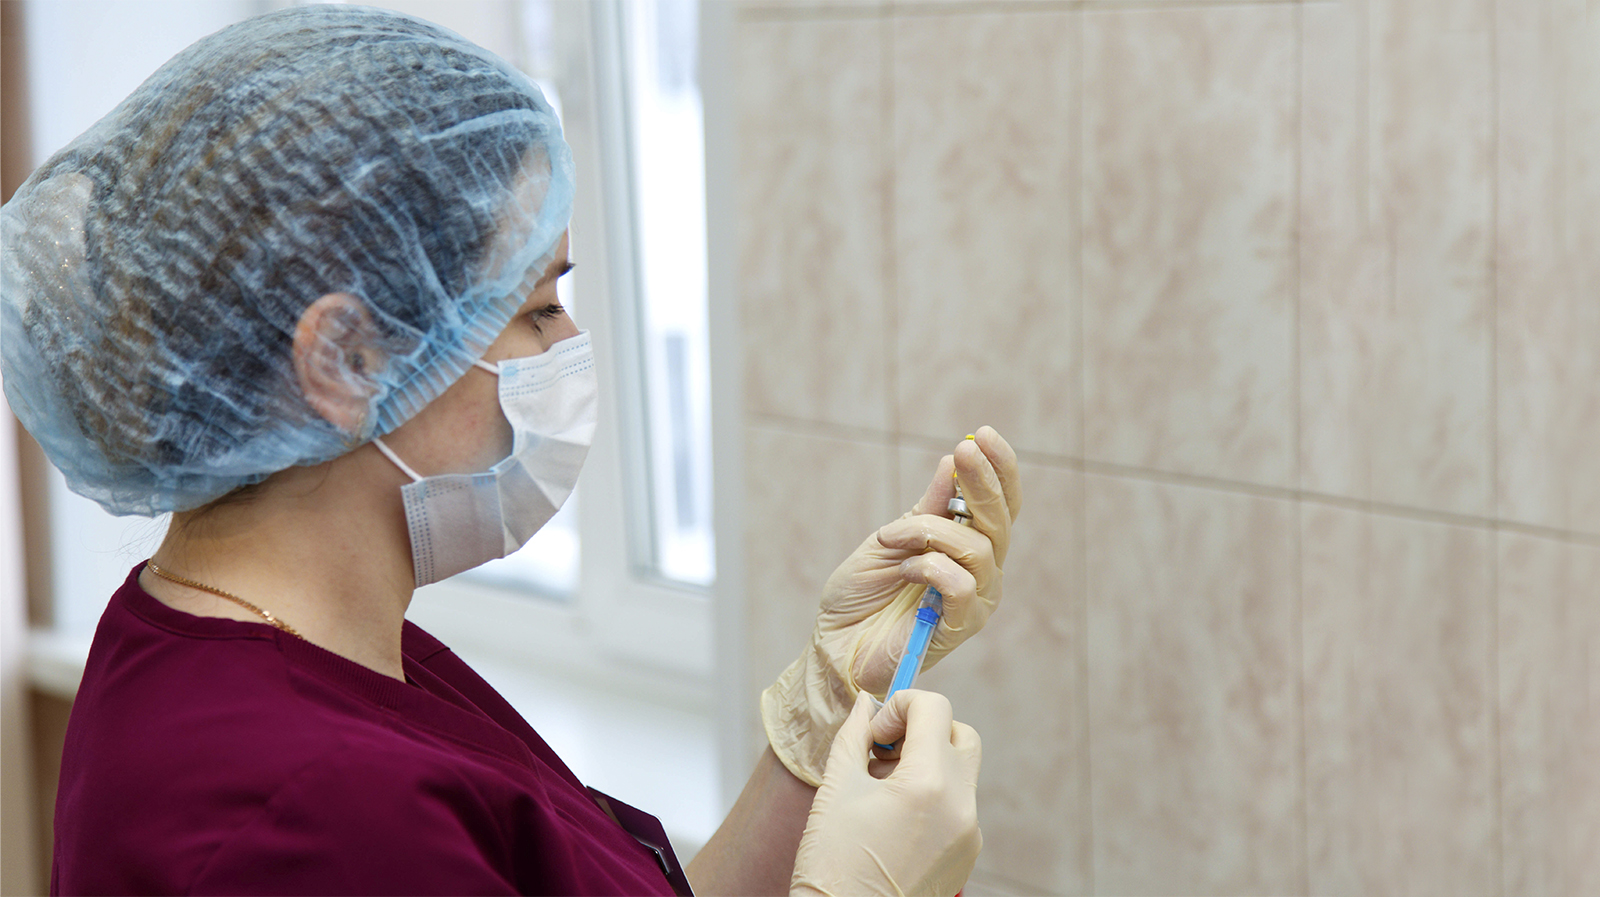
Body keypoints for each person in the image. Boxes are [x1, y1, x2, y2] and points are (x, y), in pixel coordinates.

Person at [0, 6, 1021, 895]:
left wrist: (821, 714)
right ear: (345, 359)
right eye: (534, 309)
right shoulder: (315, 808)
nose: (569, 348)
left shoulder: (301, 652)